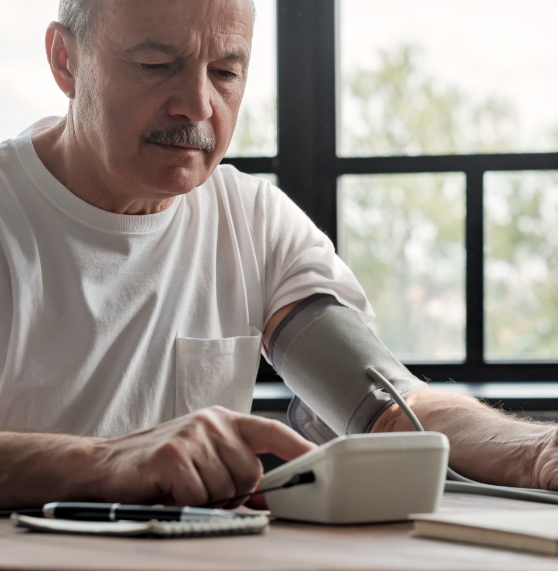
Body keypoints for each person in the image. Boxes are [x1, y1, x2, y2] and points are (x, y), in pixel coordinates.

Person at [1, 0, 558, 511]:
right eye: (155, 65)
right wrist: (105, 461)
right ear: (65, 59)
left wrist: (536, 452)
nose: (197, 104)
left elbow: (386, 408)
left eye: (225, 72)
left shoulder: (252, 220)